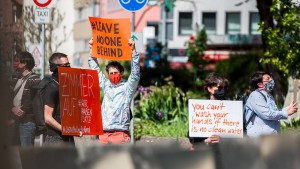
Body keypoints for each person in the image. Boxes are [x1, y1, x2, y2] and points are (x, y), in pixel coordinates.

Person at [88, 38, 140, 144]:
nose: (113, 75)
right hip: (103, 134)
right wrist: (92, 51)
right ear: (108, 74)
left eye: (115, 72)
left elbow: (135, 75)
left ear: (121, 73)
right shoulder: (106, 85)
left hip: (119, 135)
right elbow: (95, 70)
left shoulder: (127, 87)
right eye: (111, 73)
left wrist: (133, 51)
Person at [245, 71, 298, 137]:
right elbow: (267, 114)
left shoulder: (269, 96)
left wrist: (288, 108)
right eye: (268, 79)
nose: (271, 80)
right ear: (260, 84)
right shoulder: (255, 95)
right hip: (259, 138)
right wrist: (286, 113)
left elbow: (274, 112)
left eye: (271, 78)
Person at [189, 73, 229, 149]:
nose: (222, 90)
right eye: (219, 88)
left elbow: (237, 134)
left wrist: (222, 140)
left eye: (224, 88)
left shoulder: (231, 109)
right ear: (209, 88)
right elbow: (192, 138)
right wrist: (207, 141)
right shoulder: (199, 109)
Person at [10, 51, 41, 146]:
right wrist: (12, 108)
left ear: (24, 63)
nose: (14, 63)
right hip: (14, 121)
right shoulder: (15, 78)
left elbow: (33, 100)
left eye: (17, 61)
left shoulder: (35, 79)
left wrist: (22, 110)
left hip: (27, 122)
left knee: (27, 155)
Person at [43, 52, 74, 145]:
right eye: (66, 65)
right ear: (56, 68)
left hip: (68, 137)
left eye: (69, 65)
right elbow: (47, 117)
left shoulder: (65, 86)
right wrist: (64, 129)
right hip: (56, 139)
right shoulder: (52, 88)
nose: (69, 68)